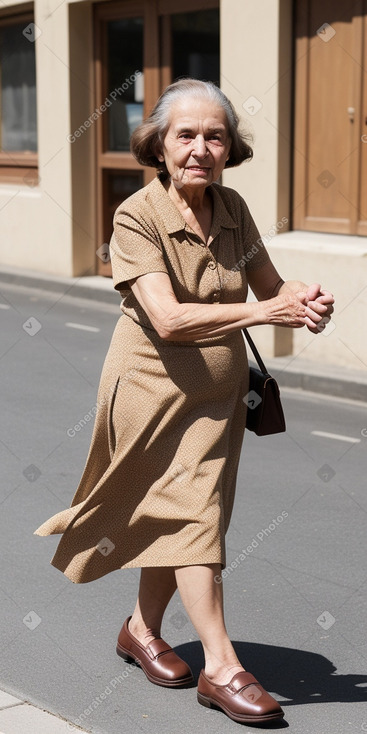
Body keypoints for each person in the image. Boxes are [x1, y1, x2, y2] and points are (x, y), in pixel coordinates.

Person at [34, 78, 334, 725]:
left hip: (216, 401)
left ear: (229, 146)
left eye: (214, 135)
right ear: (158, 144)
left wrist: (303, 305)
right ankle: (221, 667)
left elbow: (271, 289)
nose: (200, 147)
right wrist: (266, 308)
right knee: (195, 517)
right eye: (186, 134)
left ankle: (140, 631)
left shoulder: (232, 209)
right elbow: (167, 321)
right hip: (150, 393)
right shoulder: (134, 216)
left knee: (183, 516)